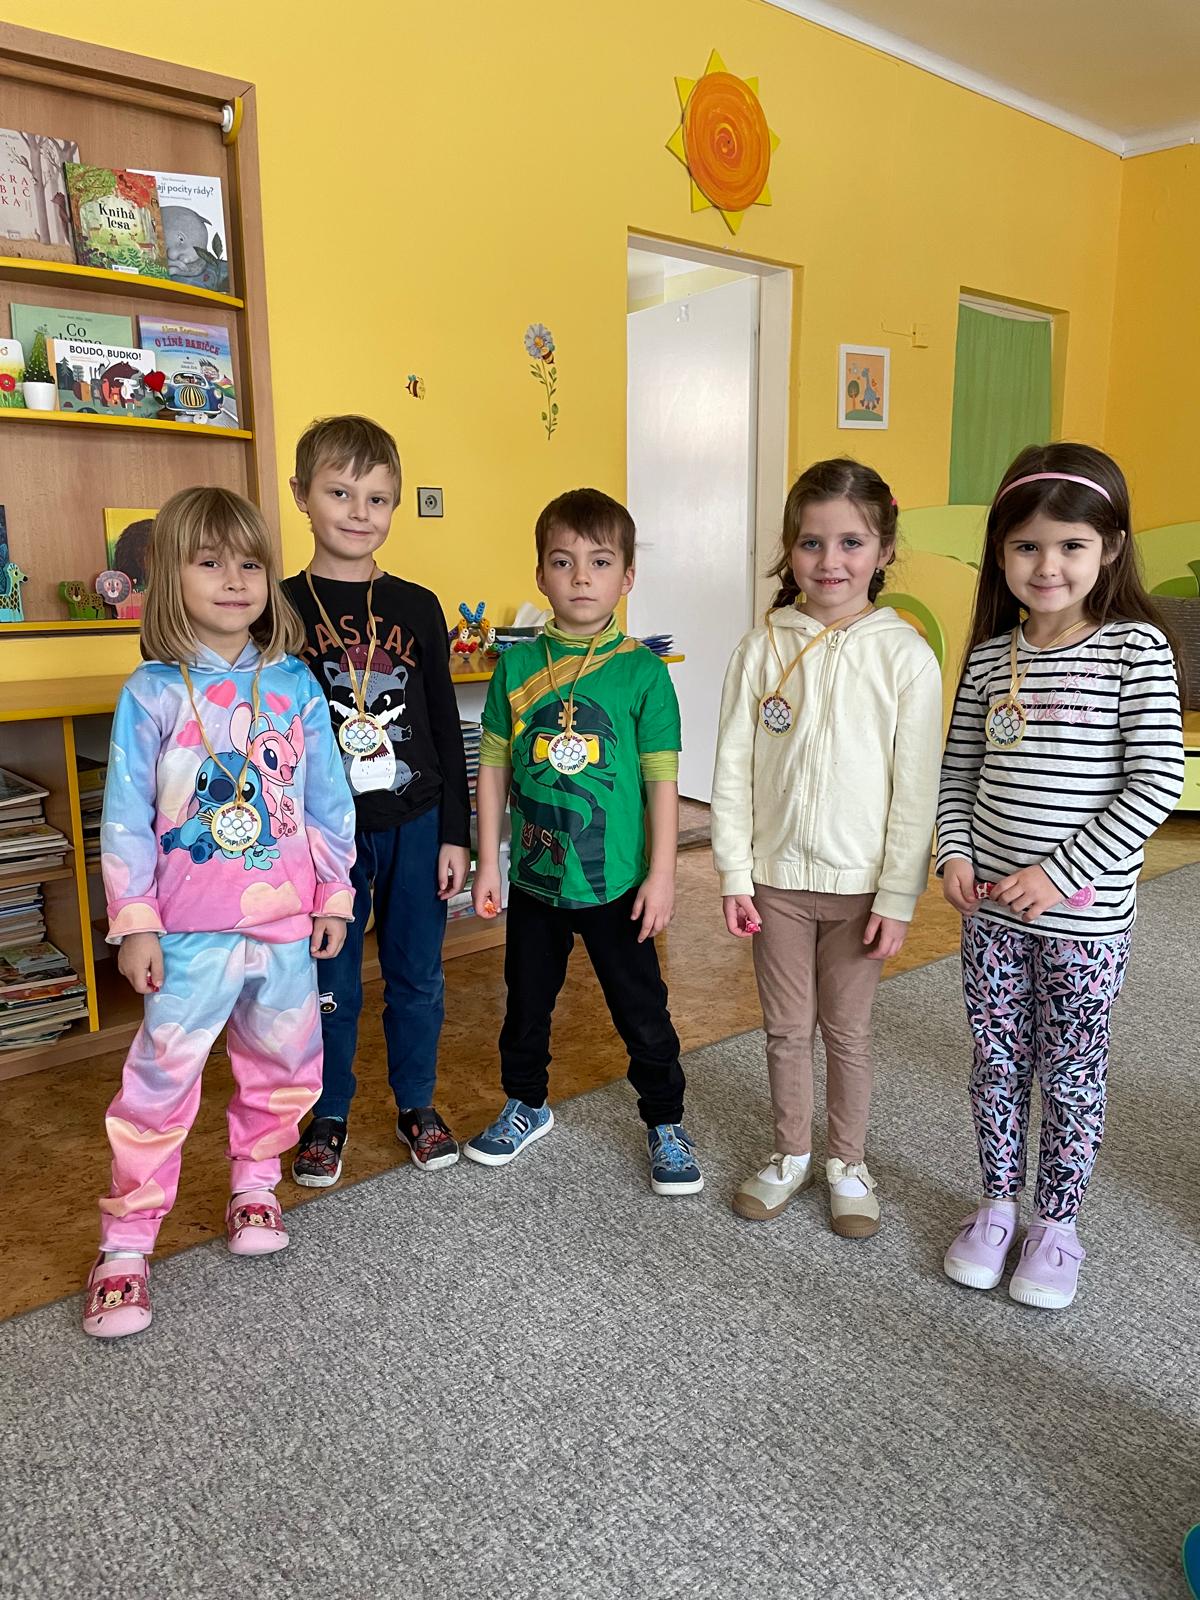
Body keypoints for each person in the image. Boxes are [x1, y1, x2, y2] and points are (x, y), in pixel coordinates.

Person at [83, 488, 356, 1339]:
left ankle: (255, 1186)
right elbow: (124, 817)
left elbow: (327, 800)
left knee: (285, 1070)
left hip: (284, 927)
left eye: (249, 564)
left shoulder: (295, 684)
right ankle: (126, 1244)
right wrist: (135, 921)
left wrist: (335, 892)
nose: (235, 580)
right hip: (187, 933)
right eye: (210, 563)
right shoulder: (152, 693)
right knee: (160, 1085)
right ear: (171, 578)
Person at [938, 442, 1185, 1309]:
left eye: (1071, 545)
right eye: (1027, 546)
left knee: (1071, 1073)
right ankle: (997, 1206)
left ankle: (1057, 1225)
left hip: (1084, 921)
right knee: (996, 1062)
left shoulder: (1135, 649)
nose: (1048, 566)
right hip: (990, 919)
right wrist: (954, 852)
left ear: (1109, 548)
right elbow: (957, 774)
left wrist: (1056, 873)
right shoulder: (987, 659)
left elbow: (1156, 781)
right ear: (1001, 553)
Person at [711, 459, 943, 1237]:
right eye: (811, 542)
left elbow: (915, 788)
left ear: (884, 550)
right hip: (774, 883)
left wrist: (898, 895)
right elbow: (733, 768)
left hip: (861, 891)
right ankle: (791, 1153)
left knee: (847, 1032)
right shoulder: (761, 648)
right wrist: (734, 872)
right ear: (789, 549)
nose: (830, 561)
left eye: (852, 542)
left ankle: (847, 1163)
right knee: (785, 1029)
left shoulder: (905, 655)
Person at [464, 487, 702, 1194]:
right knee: (525, 1003)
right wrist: (488, 860)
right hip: (535, 878)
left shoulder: (643, 672)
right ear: (540, 574)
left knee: (642, 1008)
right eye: (562, 561)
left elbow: (661, 782)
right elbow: (494, 770)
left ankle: (665, 1120)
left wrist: (662, 874)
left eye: (599, 562)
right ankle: (526, 1104)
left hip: (617, 881)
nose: (580, 577)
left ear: (627, 577)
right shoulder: (515, 666)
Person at [283, 416, 471, 1185]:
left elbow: (444, 726)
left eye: (378, 498)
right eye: (340, 493)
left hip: (417, 822)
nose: (360, 513)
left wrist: (457, 834)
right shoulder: (277, 608)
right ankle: (327, 1113)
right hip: (320, 838)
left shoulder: (418, 606)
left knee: (417, 974)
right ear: (301, 495)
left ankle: (416, 1104)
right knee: (327, 982)